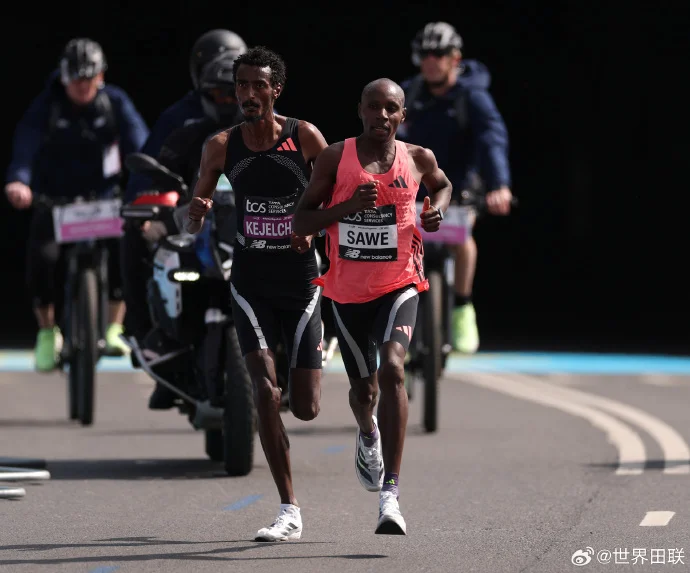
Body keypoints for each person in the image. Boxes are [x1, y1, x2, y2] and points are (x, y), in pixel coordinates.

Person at [293, 78, 452, 535]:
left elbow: (442, 185)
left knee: (393, 370)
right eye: (373, 107)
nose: (382, 115)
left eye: (391, 108)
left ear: (402, 115)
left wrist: (435, 210)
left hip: (400, 283)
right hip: (346, 293)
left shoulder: (418, 158)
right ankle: (367, 433)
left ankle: (391, 494)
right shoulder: (333, 157)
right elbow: (302, 218)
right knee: (364, 393)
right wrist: (344, 208)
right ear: (360, 110)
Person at [186, 46, 328, 542]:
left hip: (300, 281)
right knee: (265, 392)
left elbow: (332, 197)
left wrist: (312, 229)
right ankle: (289, 508)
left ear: (275, 90)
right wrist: (196, 212)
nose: (248, 94)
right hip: (250, 282)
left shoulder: (304, 137)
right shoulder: (221, 146)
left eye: (258, 85)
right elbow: (195, 209)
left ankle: (350, 403)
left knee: (306, 408)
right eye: (241, 85)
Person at [4, 37, 149, 371]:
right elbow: (25, 145)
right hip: (56, 200)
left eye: (89, 79)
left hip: (104, 199)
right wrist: (19, 181)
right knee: (42, 258)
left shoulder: (115, 102)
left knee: (127, 248)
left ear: (100, 77)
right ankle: (46, 331)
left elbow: (140, 143)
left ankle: (114, 327)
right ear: (64, 78)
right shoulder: (48, 105)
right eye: (76, 80)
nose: (83, 87)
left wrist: (147, 182)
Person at [121, 51, 247, 409]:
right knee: (137, 236)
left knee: (311, 252)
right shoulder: (185, 128)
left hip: (257, 224)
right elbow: (149, 172)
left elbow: (308, 175)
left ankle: (308, 337)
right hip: (192, 220)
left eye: (236, 93)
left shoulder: (275, 129)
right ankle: (154, 335)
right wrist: (148, 210)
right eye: (221, 94)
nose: (229, 102)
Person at [398, 21, 513, 353]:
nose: (431, 61)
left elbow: (492, 139)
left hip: (460, 188)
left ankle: (463, 307)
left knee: (462, 239)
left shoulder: (472, 96)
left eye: (439, 54)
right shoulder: (409, 93)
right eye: (424, 54)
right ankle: (396, 314)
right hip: (417, 187)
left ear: (455, 58)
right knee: (396, 243)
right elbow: (387, 139)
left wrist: (499, 184)